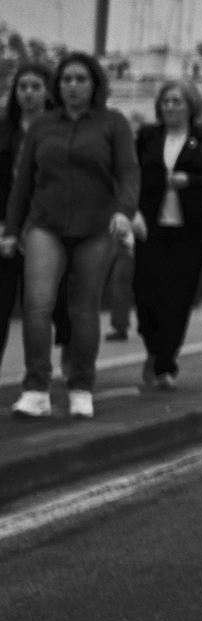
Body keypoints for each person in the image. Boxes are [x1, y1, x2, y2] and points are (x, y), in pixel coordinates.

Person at [2, 52, 140, 420]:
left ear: (95, 84)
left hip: (96, 227)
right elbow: (23, 184)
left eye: (80, 79)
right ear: (57, 86)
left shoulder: (113, 124)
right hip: (45, 224)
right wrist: (11, 230)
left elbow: (128, 173)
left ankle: (81, 386)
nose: (72, 86)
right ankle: (35, 389)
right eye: (65, 80)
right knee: (37, 305)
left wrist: (123, 213)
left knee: (83, 308)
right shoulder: (43, 127)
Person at [131, 80, 202, 390]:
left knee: (178, 297)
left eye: (177, 101)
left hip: (189, 229)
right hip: (150, 227)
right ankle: (153, 347)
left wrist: (192, 181)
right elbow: (130, 176)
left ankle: (165, 362)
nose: (170, 107)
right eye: (166, 102)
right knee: (146, 294)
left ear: (190, 106)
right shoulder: (147, 137)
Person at [0, 62, 55, 367]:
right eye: (23, 87)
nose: (29, 93)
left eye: (36, 87)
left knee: (39, 308)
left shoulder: (59, 132)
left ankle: (38, 376)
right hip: (6, 228)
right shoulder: (4, 132)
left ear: (48, 92)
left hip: (47, 229)